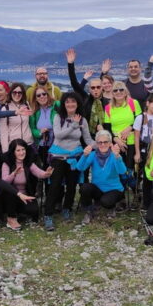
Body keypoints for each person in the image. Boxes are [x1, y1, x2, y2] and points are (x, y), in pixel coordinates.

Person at [44, 92, 95, 231]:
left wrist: (103, 144)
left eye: (73, 101)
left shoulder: (82, 120)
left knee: (72, 186)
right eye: (67, 102)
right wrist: (73, 125)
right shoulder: (58, 117)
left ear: (78, 104)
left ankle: (67, 209)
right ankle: (48, 214)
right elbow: (58, 135)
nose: (70, 104)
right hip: (58, 157)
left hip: (74, 157)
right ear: (63, 104)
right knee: (55, 186)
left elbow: (88, 139)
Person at [74, 130, 127, 225]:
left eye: (105, 142)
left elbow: (122, 171)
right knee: (84, 188)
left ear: (110, 143)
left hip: (114, 189)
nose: (103, 144)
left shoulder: (114, 154)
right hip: (98, 189)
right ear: (96, 143)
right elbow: (80, 168)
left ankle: (112, 206)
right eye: (100, 142)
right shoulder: (92, 155)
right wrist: (84, 156)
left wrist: (117, 157)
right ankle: (89, 211)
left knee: (106, 202)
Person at [0, 139, 53, 230]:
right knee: (10, 191)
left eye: (23, 149)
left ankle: (17, 211)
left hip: (25, 196)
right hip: (10, 196)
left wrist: (46, 174)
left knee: (34, 210)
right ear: (13, 152)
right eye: (18, 150)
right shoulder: (7, 163)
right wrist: (14, 174)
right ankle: (11, 218)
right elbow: (4, 182)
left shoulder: (28, 162)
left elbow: (39, 172)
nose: (21, 153)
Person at [66, 48, 109, 137]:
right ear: (89, 89)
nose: (95, 89)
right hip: (86, 137)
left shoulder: (107, 102)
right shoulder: (86, 99)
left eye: (98, 87)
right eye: (93, 88)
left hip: (104, 138)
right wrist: (70, 64)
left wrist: (104, 73)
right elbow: (74, 83)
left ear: (102, 88)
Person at [103, 81, 142, 169]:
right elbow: (107, 128)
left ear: (125, 92)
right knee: (118, 169)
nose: (118, 92)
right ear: (112, 93)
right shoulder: (108, 108)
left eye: (121, 89)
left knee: (132, 169)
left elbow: (140, 120)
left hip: (133, 142)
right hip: (116, 143)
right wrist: (116, 139)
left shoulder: (133, 103)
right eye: (115, 90)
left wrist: (130, 127)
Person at [0, 82, 34, 154]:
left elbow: (30, 123)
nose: (17, 94)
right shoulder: (5, 109)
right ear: (10, 93)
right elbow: (3, 132)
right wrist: (5, 151)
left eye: (19, 92)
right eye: (14, 92)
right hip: (14, 146)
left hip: (28, 144)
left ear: (23, 94)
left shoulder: (26, 105)